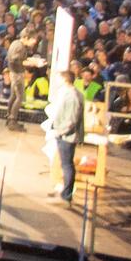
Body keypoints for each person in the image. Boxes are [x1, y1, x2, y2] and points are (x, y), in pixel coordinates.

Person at [43, 67, 86, 204]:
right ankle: (63, 191)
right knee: (64, 163)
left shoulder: (72, 95)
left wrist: (60, 132)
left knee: (67, 165)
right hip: (64, 134)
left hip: (66, 136)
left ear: (65, 79)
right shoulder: (69, 93)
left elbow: (71, 120)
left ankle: (66, 196)